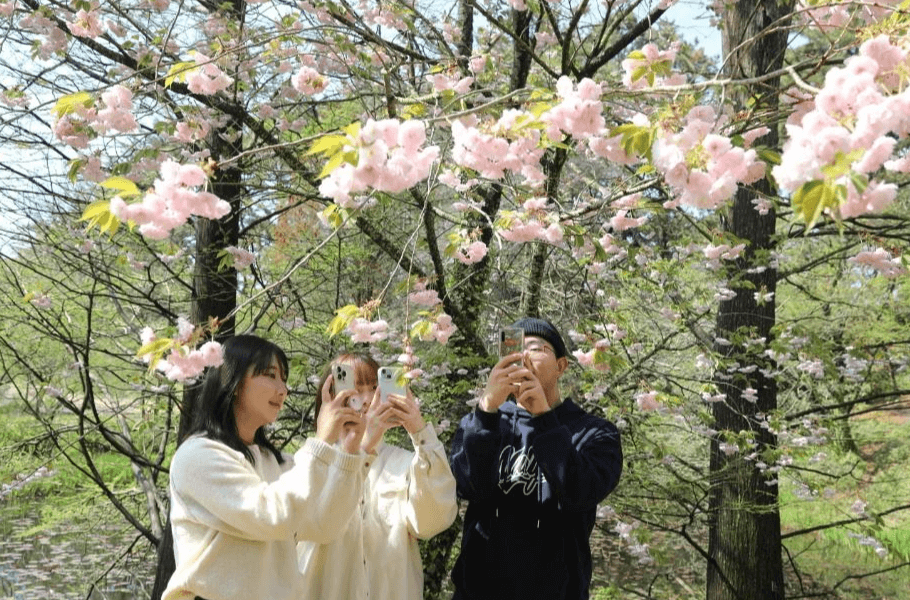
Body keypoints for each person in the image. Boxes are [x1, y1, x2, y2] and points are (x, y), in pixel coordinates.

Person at [162, 335, 367, 600]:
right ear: (234, 381)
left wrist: (349, 451)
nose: (282, 389)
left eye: (284, 379)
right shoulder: (197, 456)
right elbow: (271, 514)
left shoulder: (275, 462)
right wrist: (321, 441)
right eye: (270, 376)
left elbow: (325, 525)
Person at [449, 317, 623, 600]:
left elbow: (580, 491)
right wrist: (486, 410)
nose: (524, 356)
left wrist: (544, 417)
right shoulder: (484, 423)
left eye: (536, 348)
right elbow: (466, 485)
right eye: (515, 348)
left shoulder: (594, 432)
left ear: (561, 366)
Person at [298, 353, 458, 599]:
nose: (367, 400)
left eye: (375, 387)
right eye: (355, 388)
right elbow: (310, 524)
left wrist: (419, 431)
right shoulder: (311, 460)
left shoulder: (407, 463)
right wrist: (360, 448)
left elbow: (431, 522)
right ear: (330, 395)